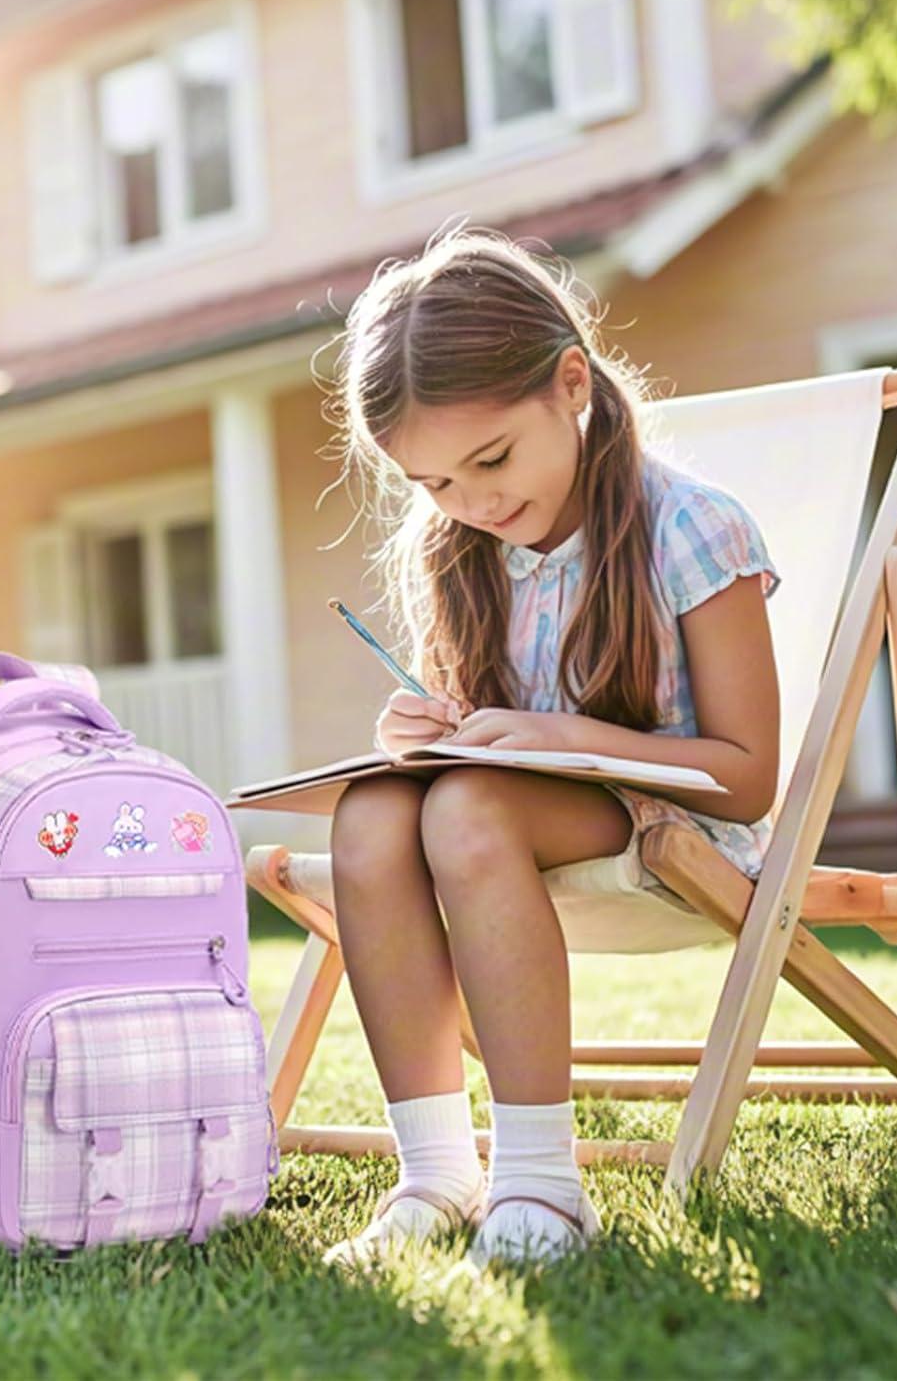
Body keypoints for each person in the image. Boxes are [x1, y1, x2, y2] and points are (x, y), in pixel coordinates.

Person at [317, 224, 781, 1276]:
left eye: (489, 461)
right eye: (433, 484)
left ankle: (539, 1183)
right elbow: (477, 733)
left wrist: (561, 737)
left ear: (572, 383)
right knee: (375, 810)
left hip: (685, 822)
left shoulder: (690, 527)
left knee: (464, 809)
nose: (471, 503)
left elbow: (750, 774)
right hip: (516, 815)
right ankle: (435, 1174)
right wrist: (421, 728)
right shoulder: (460, 548)